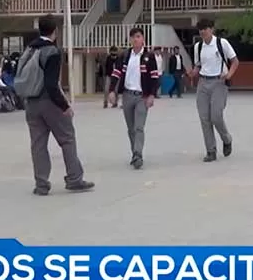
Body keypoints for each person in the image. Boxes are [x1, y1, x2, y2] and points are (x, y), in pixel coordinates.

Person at [16, 15, 92, 196]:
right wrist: (65, 106)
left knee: (38, 145)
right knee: (67, 138)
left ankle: (41, 184)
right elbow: (51, 84)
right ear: (55, 31)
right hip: (48, 101)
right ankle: (74, 178)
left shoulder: (29, 49)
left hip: (31, 103)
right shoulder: (52, 52)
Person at [107, 27, 159, 170]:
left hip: (142, 96)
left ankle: (138, 154)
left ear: (143, 39)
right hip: (127, 95)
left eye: (138, 36)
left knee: (138, 127)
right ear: (130, 40)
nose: (136, 39)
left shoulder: (149, 57)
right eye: (133, 37)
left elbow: (154, 77)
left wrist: (152, 95)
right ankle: (134, 153)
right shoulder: (124, 56)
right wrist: (112, 91)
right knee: (131, 128)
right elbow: (116, 73)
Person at [191, 18, 239, 163]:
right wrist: (193, 73)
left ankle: (226, 139)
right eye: (200, 29)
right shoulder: (198, 46)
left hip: (219, 82)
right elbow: (198, 65)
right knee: (204, 118)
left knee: (216, 116)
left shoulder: (221, 43)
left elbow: (235, 61)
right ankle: (210, 150)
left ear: (212, 29)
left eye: (205, 28)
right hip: (203, 83)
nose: (203, 32)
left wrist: (229, 75)